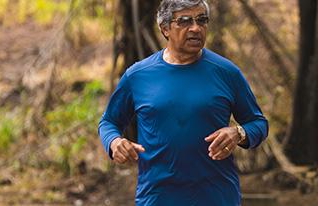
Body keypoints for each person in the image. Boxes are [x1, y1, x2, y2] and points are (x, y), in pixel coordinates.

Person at [97, 0, 269, 205]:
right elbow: (109, 122)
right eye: (185, 21)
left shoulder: (227, 72)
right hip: (157, 198)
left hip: (217, 198)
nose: (196, 28)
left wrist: (238, 133)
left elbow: (258, 124)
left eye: (202, 20)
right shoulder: (138, 75)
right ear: (165, 29)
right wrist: (114, 142)